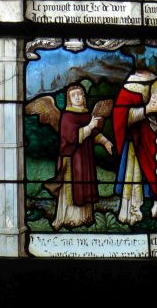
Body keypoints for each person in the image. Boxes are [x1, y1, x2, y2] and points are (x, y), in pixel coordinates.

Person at [113, 70, 157, 224]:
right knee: (135, 178)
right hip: (135, 145)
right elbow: (122, 117)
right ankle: (133, 213)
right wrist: (146, 110)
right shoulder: (128, 89)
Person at [50, 84, 112, 230]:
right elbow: (70, 137)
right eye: (74, 95)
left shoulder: (86, 115)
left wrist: (105, 142)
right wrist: (89, 126)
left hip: (85, 157)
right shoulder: (67, 116)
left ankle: (85, 217)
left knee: (85, 184)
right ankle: (70, 219)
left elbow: (93, 134)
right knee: (74, 187)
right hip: (72, 159)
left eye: (80, 94)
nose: (78, 97)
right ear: (69, 99)